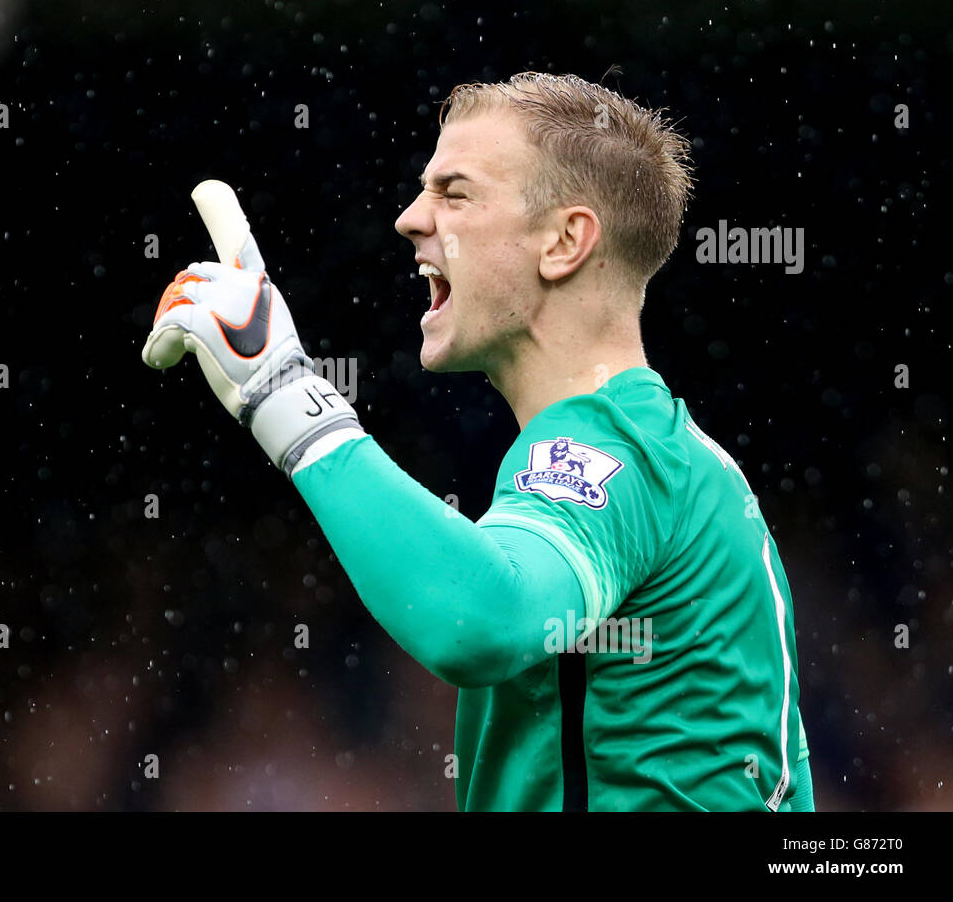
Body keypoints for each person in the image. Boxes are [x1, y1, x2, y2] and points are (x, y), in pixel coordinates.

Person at [142, 72, 814, 811]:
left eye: (454, 193)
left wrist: (286, 397)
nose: (408, 218)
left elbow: (482, 621)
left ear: (564, 241)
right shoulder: (663, 452)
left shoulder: (615, 445)